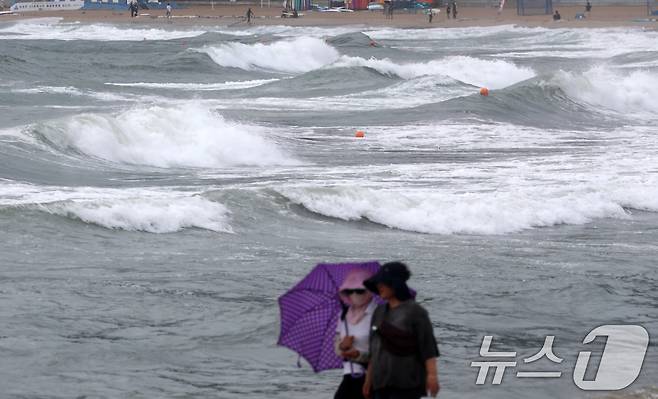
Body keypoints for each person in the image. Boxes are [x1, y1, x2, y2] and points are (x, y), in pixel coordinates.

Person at [362, 262, 440, 399]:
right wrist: (368, 380)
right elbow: (374, 351)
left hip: (406, 384)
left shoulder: (416, 312)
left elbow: (428, 348)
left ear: (395, 284)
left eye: (383, 282)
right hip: (380, 383)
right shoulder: (379, 312)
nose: (379, 286)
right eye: (378, 283)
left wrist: (432, 376)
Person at [334, 269, 377, 399]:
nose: (354, 295)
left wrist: (358, 354)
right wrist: (342, 347)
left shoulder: (377, 314)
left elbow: (382, 352)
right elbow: (336, 347)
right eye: (349, 291)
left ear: (369, 290)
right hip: (349, 374)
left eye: (359, 290)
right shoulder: (344, 314)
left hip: (371, 377)